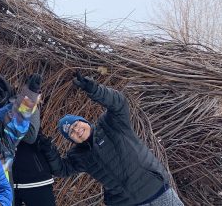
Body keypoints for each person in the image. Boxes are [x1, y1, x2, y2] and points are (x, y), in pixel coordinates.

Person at [40, 71, 184, 206]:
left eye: (76, 124)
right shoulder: (78, 155)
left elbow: (119, 103)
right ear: (71, 139)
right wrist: (49, 151)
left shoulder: (111, 125)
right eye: (71, 132)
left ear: (84, 121)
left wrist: (95, 90)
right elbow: (62, 170)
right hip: (127, 202)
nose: (77, 130)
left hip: (156, 189)